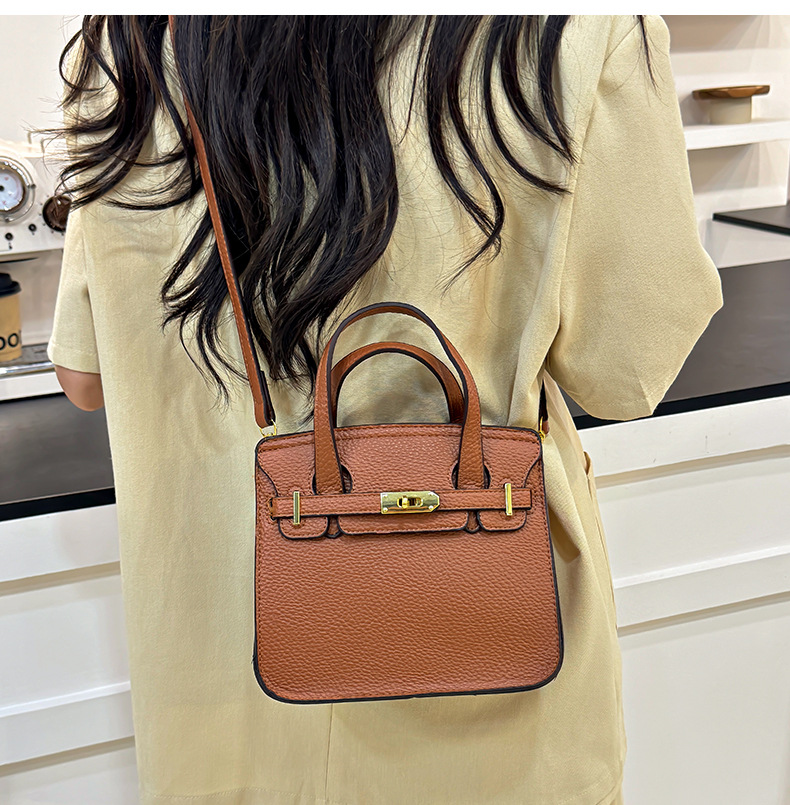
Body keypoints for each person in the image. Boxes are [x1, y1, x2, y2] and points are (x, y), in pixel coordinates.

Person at [48, 14, 722, 805]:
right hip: (491, 669)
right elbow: (628, 371)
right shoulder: (578, 27)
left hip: (224, 691)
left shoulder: (133, 39)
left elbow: (82, 375)